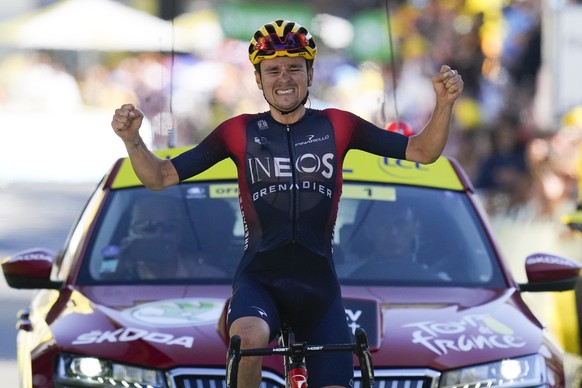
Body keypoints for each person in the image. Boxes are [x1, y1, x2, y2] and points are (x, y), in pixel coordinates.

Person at [110, 19, 463, 388]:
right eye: (272, 70)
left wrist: (444, 104)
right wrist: (133, 141)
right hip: (259, 281)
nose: (284, 78)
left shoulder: (338, 126)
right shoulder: (237, 131)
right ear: (258, 80)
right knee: (247, 340)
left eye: (295, 67)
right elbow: (160, 177)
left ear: (310, 74)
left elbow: (421, 151)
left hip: (319, 288)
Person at [111, 195, 227, 280]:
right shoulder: (116, 279)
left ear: (179, 234)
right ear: (132, 232)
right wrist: (117, 265)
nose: (159, 234)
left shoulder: (209, 279)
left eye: (169, 227)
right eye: (148, 226)